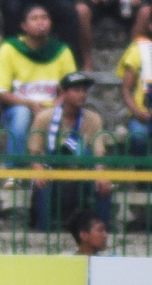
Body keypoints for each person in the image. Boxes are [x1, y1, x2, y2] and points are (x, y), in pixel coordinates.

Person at [0, 2, 77, 160]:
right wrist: (30, 104)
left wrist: (55, 106)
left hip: (52, 107)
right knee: (22, 115)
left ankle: (56, 170)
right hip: (19, 107)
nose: (41, 22)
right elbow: (1, 92)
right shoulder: (9, 48)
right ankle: (14, 172)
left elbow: (71, 89)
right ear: (24, 26)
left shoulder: (62, 51)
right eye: (35, 18)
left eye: (45, 18)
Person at [29, 72, 112, 232]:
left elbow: (98, 153)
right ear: (64, 93)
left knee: (104, 186)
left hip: (81, 170)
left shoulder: (93, 119)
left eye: (84, 90)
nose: (82, 94)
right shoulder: (44, 118)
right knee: (41, 183)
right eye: (76, 90)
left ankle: (101, 232)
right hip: (52, 170)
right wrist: (38, 170)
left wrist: (101, 174)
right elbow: (34, 151)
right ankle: (42, 232)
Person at [117, 29, 152, 155]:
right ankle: (140, 172)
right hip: (142, 115)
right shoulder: (139, 50)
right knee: (139, 138)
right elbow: (126, 89)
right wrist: (138, 113)